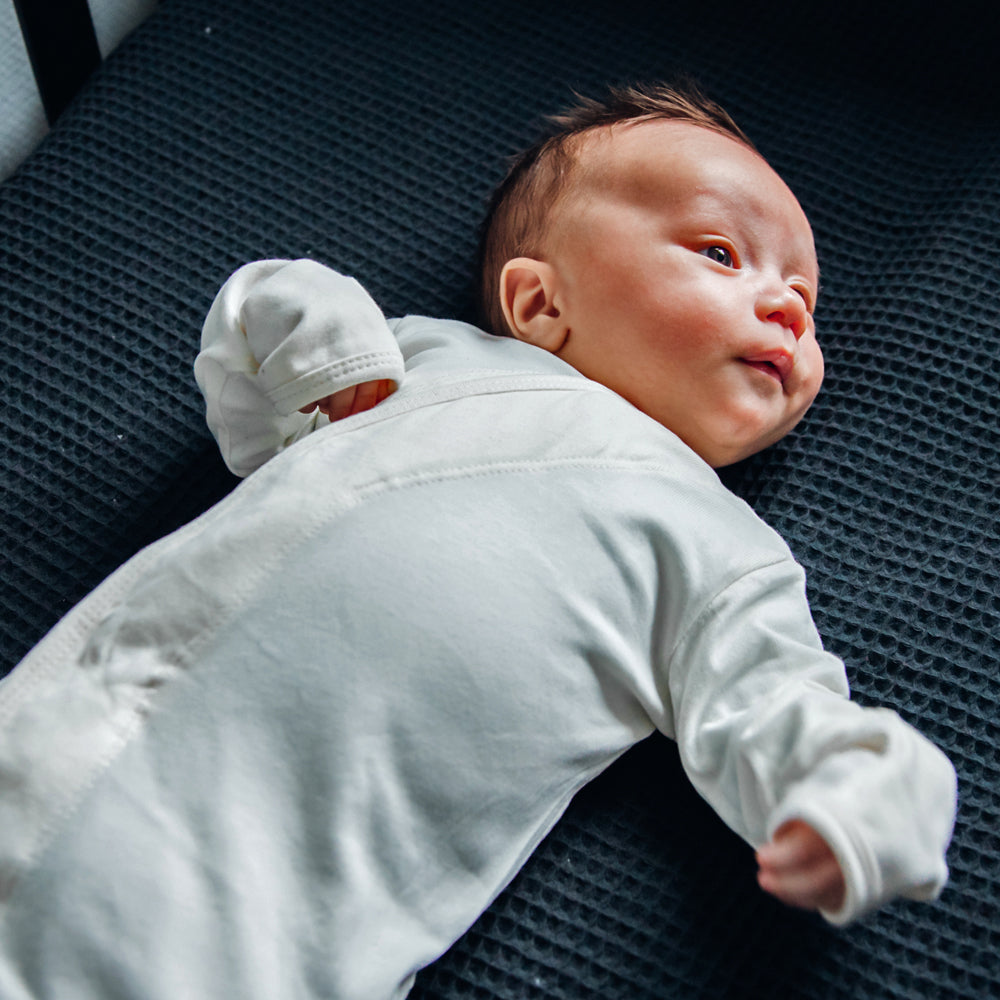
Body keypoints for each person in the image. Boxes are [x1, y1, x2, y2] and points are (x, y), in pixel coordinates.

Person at [0, 83, 956, 1000]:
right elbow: (259, 316)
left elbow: (782, 704)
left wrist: (856, 798)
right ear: (540, 306)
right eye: (719, 251)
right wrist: (329, 361)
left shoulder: (722, 551)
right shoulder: (419, 362)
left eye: (805, 294)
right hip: (70, 739)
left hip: (275, 925)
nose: (789, 304)